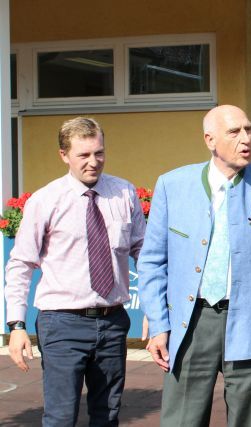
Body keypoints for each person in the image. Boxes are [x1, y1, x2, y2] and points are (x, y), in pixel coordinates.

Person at [138, 105, 251, 427]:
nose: (246, 139)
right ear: (210, 140)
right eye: (234, 132)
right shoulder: (172, 186)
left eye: (248, 130)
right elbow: (152, 262)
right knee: (180, 421)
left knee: (249, 421)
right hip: (191, 323)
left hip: (248, 322)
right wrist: (158, 324)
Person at [4, 117, 146, 426]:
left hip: (112, 322)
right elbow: (21, 264)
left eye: (99, 153)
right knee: (60, 417)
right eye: (83, 155)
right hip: (62, 323)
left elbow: (144, 254)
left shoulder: (123, 193)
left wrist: (156, 309)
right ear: (64, 155)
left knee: (107, 416)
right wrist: (16, 325)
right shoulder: (45, 201)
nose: (93, 162)